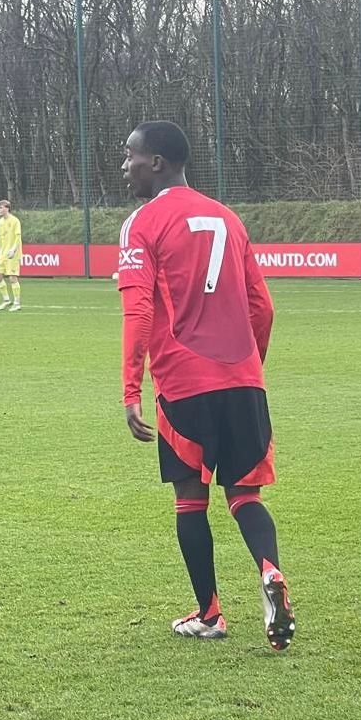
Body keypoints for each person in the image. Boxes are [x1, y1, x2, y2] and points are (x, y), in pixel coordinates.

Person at [117, 120, 295, 652]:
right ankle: (270, 570)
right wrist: (249, 369)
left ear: (156, 162)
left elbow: (138, 310)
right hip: (244, 380)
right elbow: (263, 307)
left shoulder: (142, 223)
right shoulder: (228, 218)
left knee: (190, 499)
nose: (125, 166)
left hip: (185, 381)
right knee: (244, 493)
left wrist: (131, 389)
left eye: (130, 155)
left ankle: (210, 614)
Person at [0, 199, 22, 312]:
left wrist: (14, 249)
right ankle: (6, 300)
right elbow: (0, 238)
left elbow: (18, 237)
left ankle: (17, 303)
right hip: (3, 253)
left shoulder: (15, 221)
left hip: (12, 254)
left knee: (12, 278)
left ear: (7, 208)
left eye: (1, 208)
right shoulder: (0, 222)